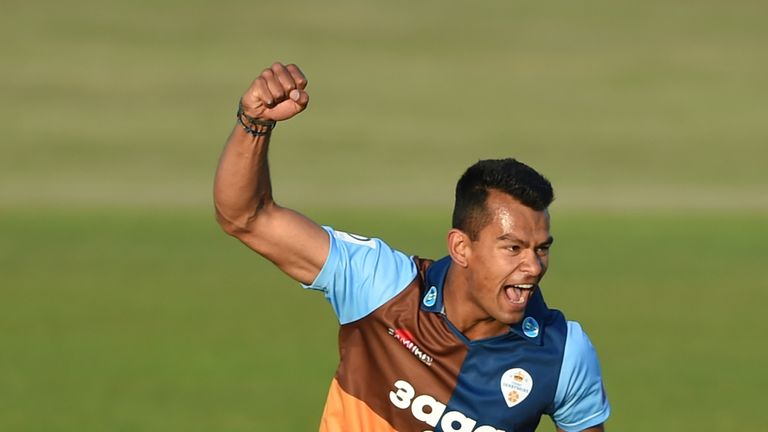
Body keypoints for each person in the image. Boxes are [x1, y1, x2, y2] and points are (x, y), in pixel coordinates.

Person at [214, 62, 611, 432]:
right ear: (461, 247)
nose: (534, 267)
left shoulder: (563, 354)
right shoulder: (380, 287)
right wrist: (255, 122)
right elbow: (246, 217)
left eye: (541, 249)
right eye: (513, 248)